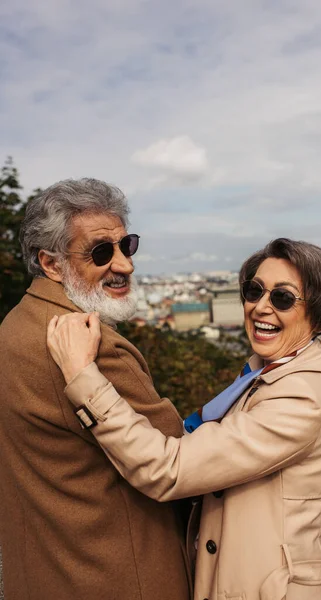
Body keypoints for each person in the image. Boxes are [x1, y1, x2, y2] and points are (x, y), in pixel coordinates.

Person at [48, 237, 321, 600]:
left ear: (318, 313)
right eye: (254, 291)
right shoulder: (266, 372)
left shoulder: (299, 400)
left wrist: (83, 377)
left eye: (282, 298)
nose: (260, 307)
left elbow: (168, 469)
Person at [0, 178, 191, 600]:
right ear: (50, 264)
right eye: (101, 252)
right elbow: (177, 456)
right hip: (121, 574)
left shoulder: (14, 327)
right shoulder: (89, 347)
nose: (125, 265)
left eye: (128, 245)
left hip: (45, 572)